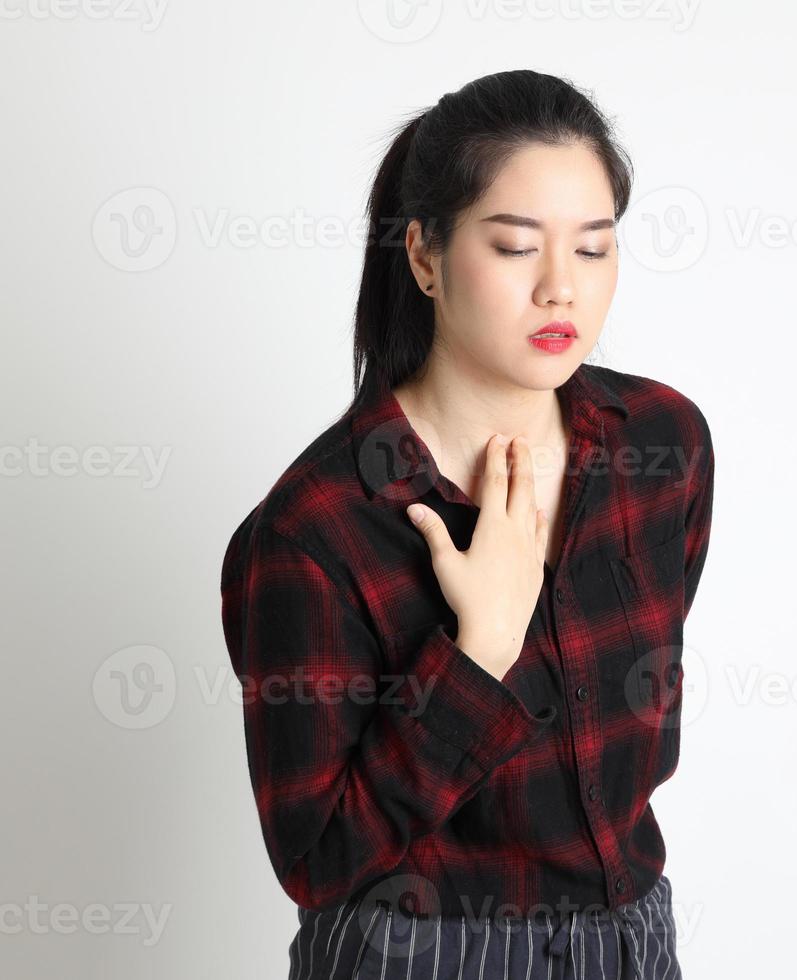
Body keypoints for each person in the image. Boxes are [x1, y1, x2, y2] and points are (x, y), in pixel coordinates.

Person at [219, 69, 714, 980]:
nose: (561, 289)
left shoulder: (662, 449)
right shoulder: (317, 530)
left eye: (595, 248)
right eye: (517, 247)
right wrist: (480, 647)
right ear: (424, 257)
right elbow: (317, 858)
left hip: (634, 939)